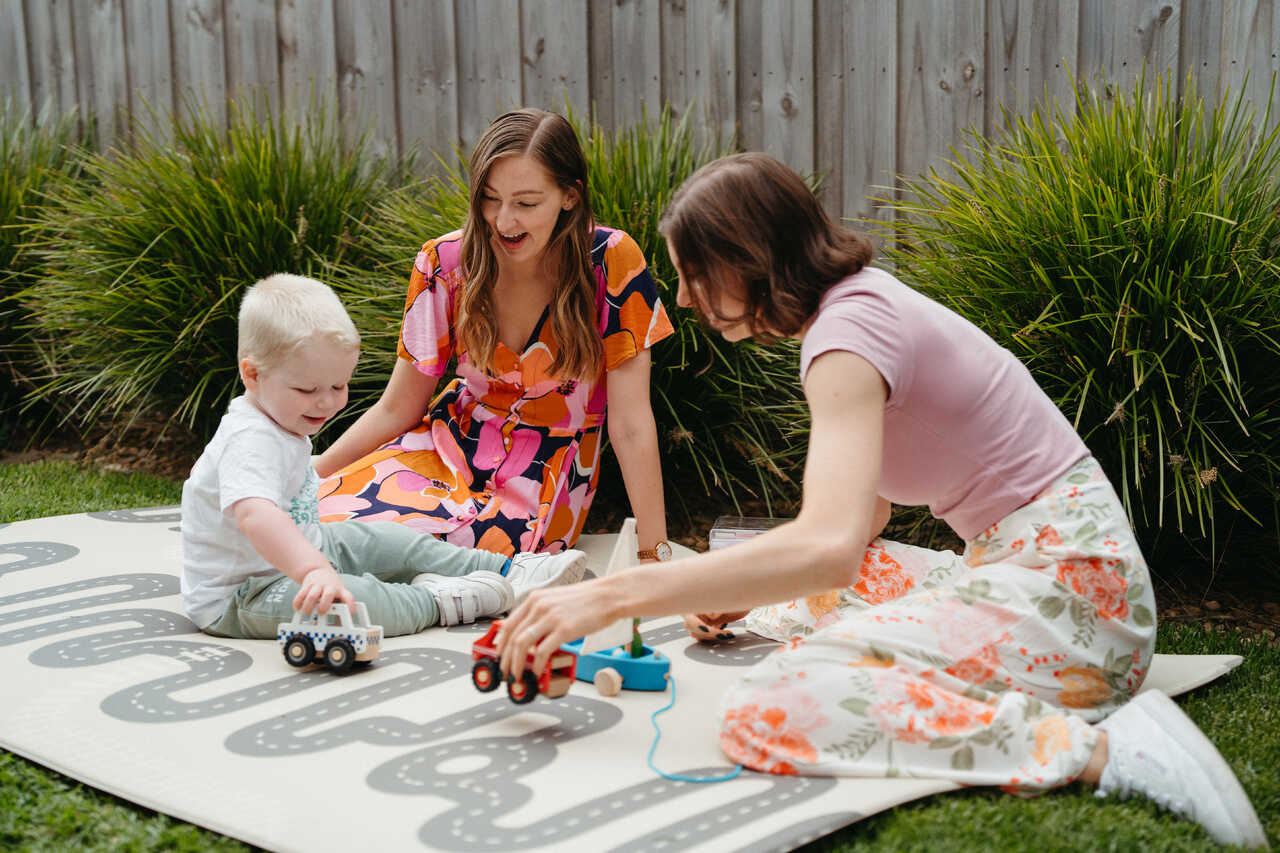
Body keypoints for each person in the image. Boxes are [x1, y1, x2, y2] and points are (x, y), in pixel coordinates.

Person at [491, 153, 1267, 848]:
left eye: (694, 275)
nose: (687, 298)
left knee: (769, 705)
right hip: (1051, 569)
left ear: (746, 257)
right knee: (801, 601)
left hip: (1080, 600)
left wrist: (619, 593)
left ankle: (1103, 752)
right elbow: (861, 525)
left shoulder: (847, 340)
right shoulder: (855, 311)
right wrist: (739, 593)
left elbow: (826, 543)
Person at [315, 109, 675, 565]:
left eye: (526, 203)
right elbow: (398, 407)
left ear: (569, 196)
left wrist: (654, 553)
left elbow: (630, 424)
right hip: (444, 448)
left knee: (438, 550)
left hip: (545, 474)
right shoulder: (443, 263)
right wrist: (311, 475)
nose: (504, 221)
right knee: (321, 517)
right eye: (490, 199)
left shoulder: (610, 262)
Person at [180, 274, 586, 640]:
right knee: (355, 605)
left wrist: (316, 560)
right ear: (252, 375)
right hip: (244, 594)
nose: (326, 402)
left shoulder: (280, 419)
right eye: (307, 390)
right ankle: (438, 601)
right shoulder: (249, 439)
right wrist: (313, 570)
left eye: (339, 386)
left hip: (308, 548)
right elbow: (256, 515)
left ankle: (505, 570)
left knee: (388, 539)